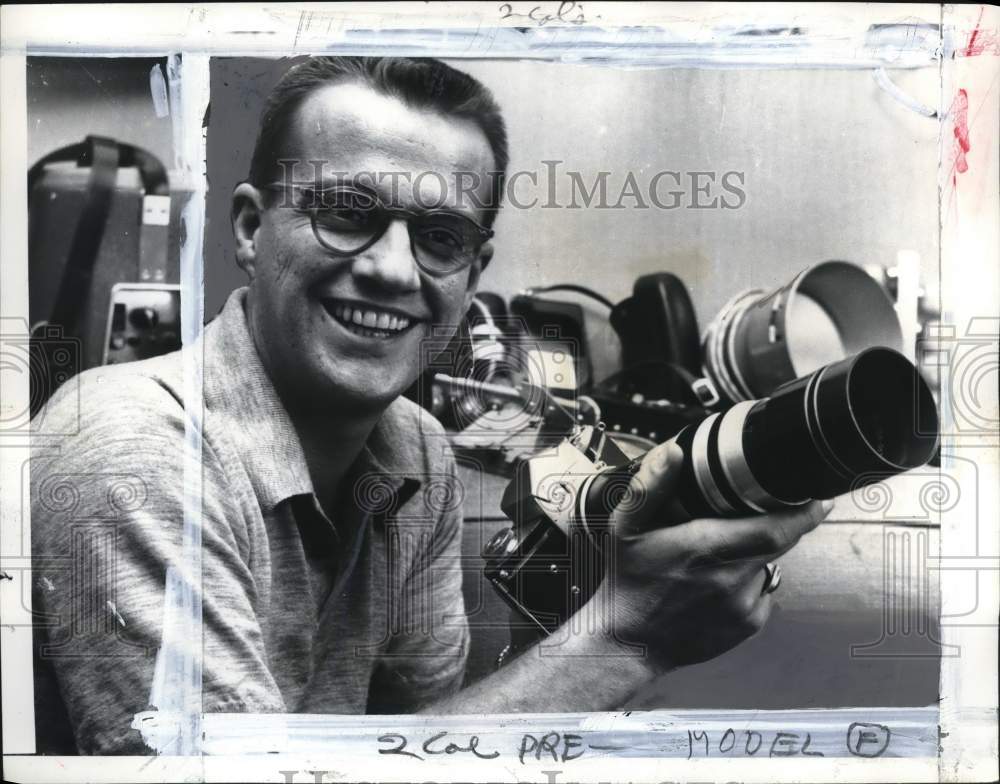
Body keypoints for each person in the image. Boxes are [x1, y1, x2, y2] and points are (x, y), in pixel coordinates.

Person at [30, 56, 830, 755]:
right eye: (346, 212)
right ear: (248, 228)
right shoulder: (130, 446)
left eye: (439, 237)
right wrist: (625, 636)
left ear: (473, 270)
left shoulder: (415, 450)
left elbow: (425, 740)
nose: (390, 269)